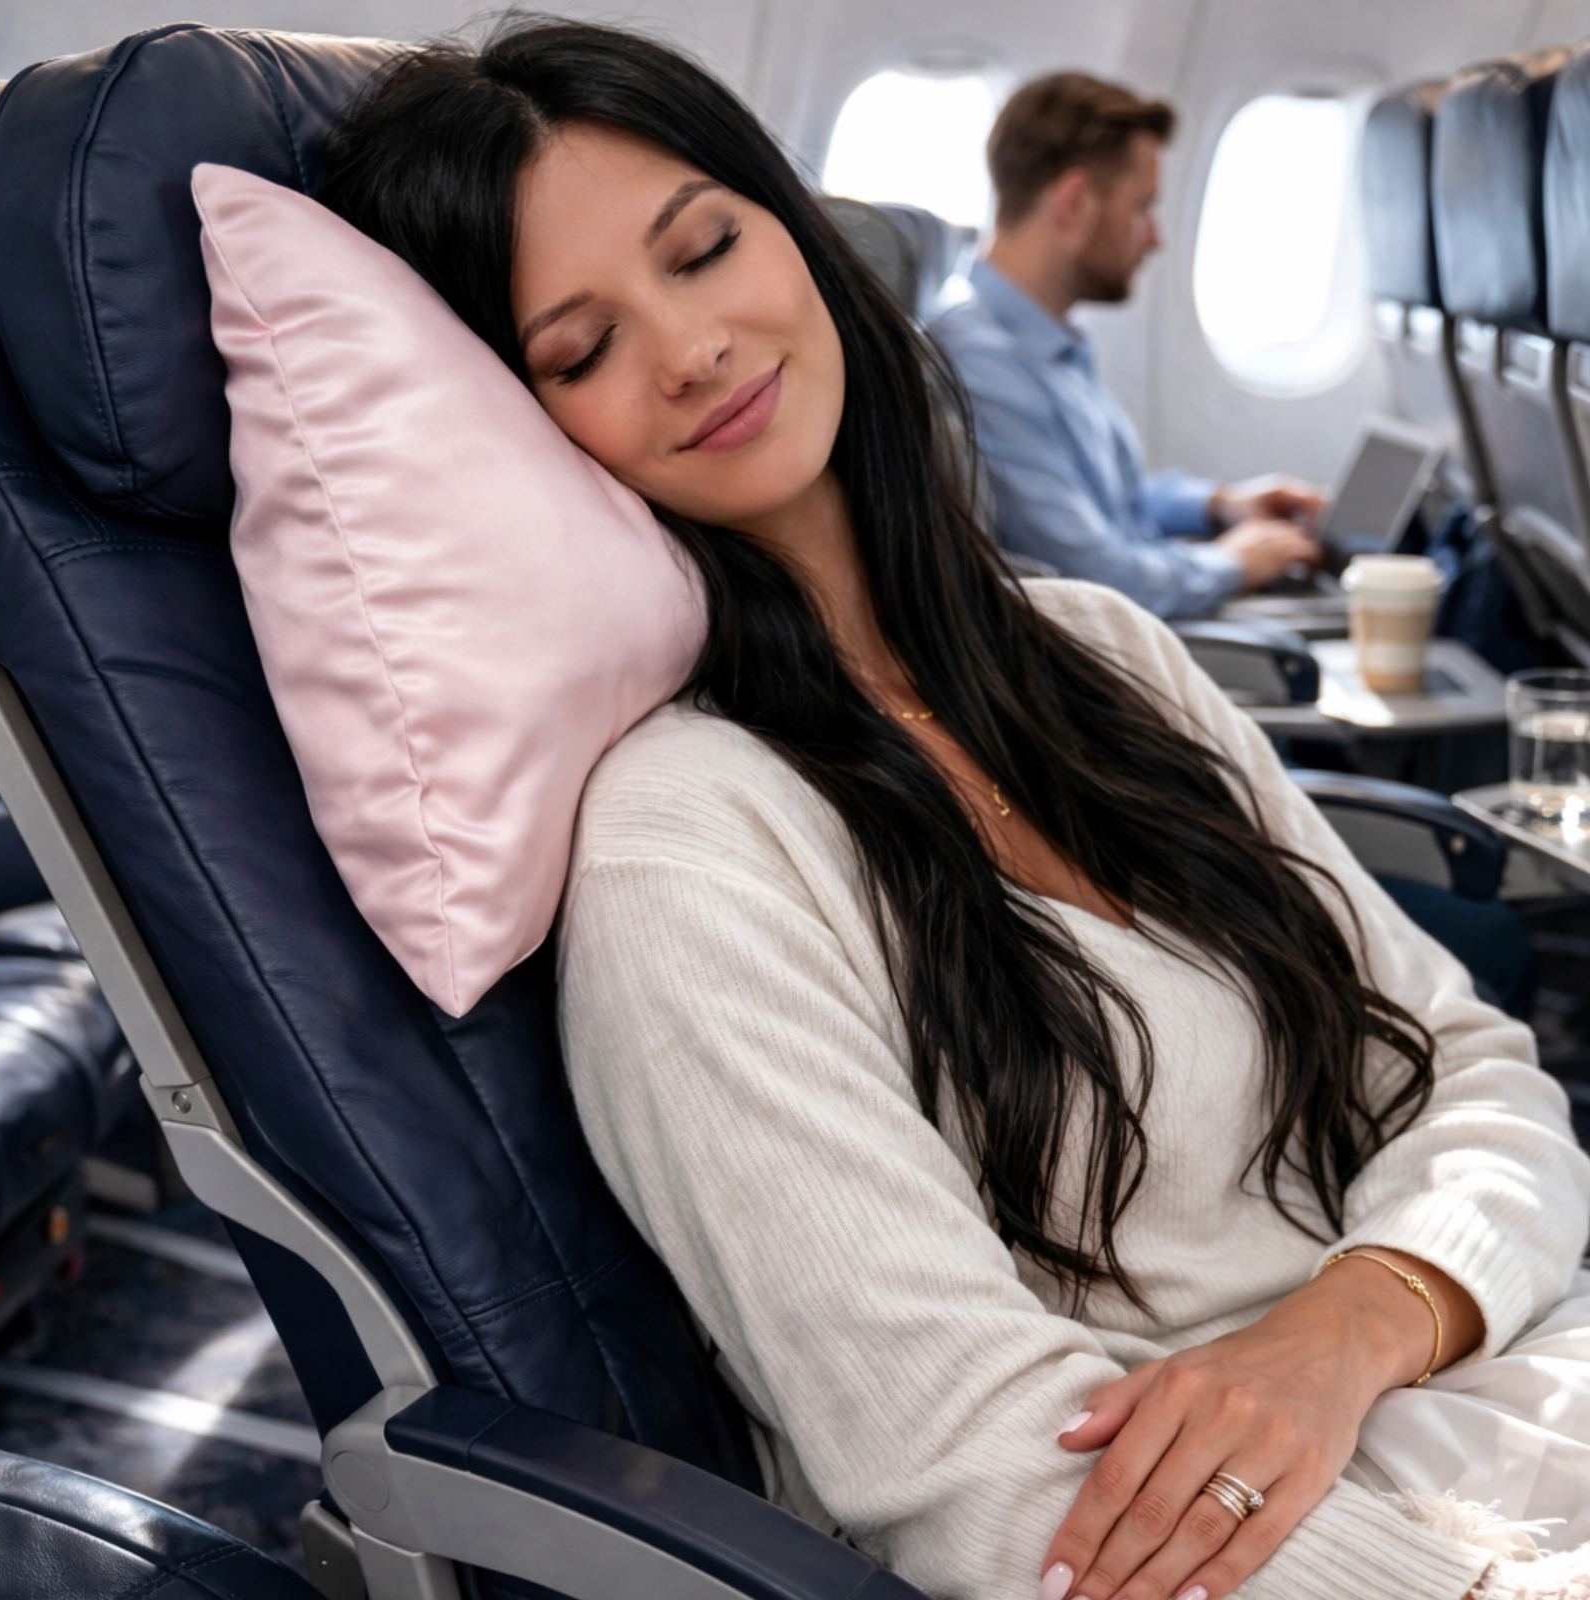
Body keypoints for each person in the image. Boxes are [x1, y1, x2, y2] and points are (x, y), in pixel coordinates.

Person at [323, 21, 1590, 1600]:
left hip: (1491, 1378)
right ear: (518, 430)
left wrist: (1364, 1316)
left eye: (706, 248)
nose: (693, 347)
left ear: (796, 229)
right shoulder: (688, 848)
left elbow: (1472, 1070)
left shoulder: (1103, 650)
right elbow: (979, 1479)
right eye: (579, 349)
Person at [929, 74, 1327, 620]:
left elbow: (1111, 504)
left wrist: (1220, 506)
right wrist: (1234, 563)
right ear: (1074, 204)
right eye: (1143, 207)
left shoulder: (1046, 345)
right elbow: (1093, 579)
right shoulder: (980, 365)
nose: (1156, 237)